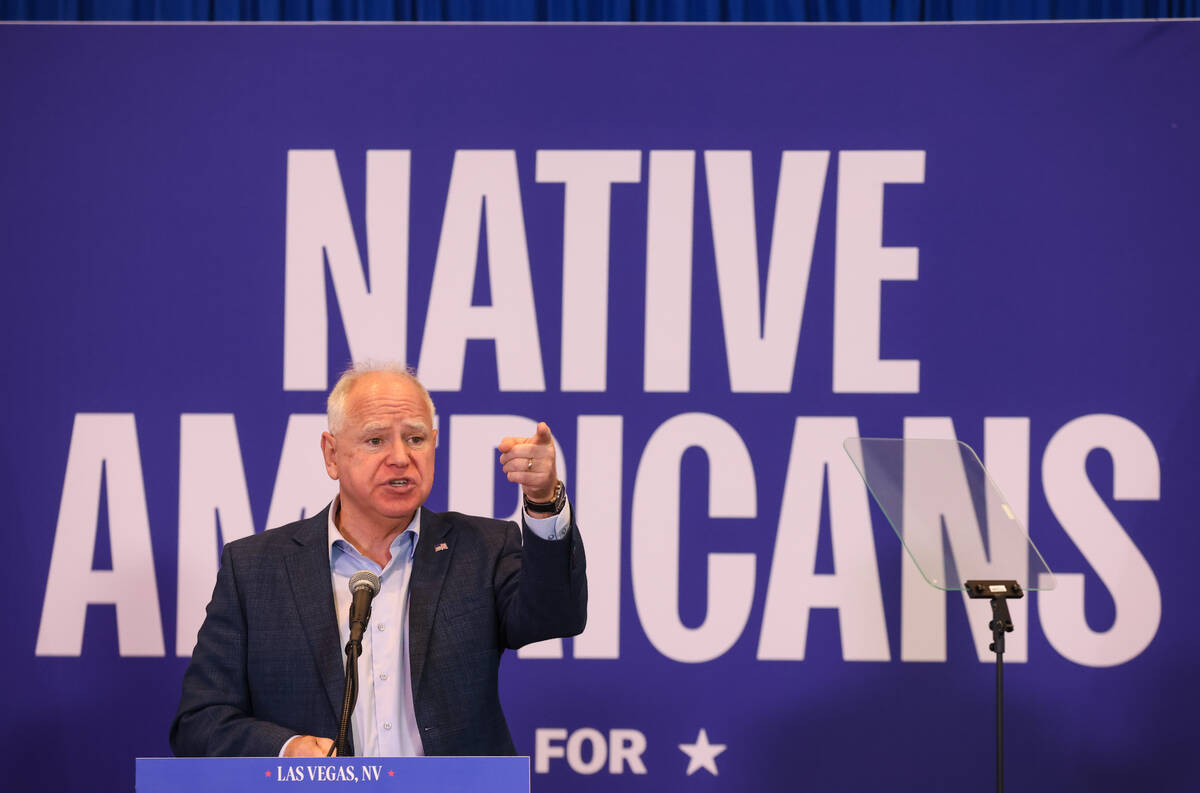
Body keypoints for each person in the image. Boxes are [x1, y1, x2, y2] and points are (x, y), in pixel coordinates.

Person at [170, 362, 586, 757]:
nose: (401, 458)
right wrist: (287, 750)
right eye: (375, 440)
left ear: (435, 444)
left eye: (416, 439)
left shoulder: (482, 548)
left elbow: (557, 616)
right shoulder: (254, 570)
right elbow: (199, 722)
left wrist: (544, 502)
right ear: (331, 454)